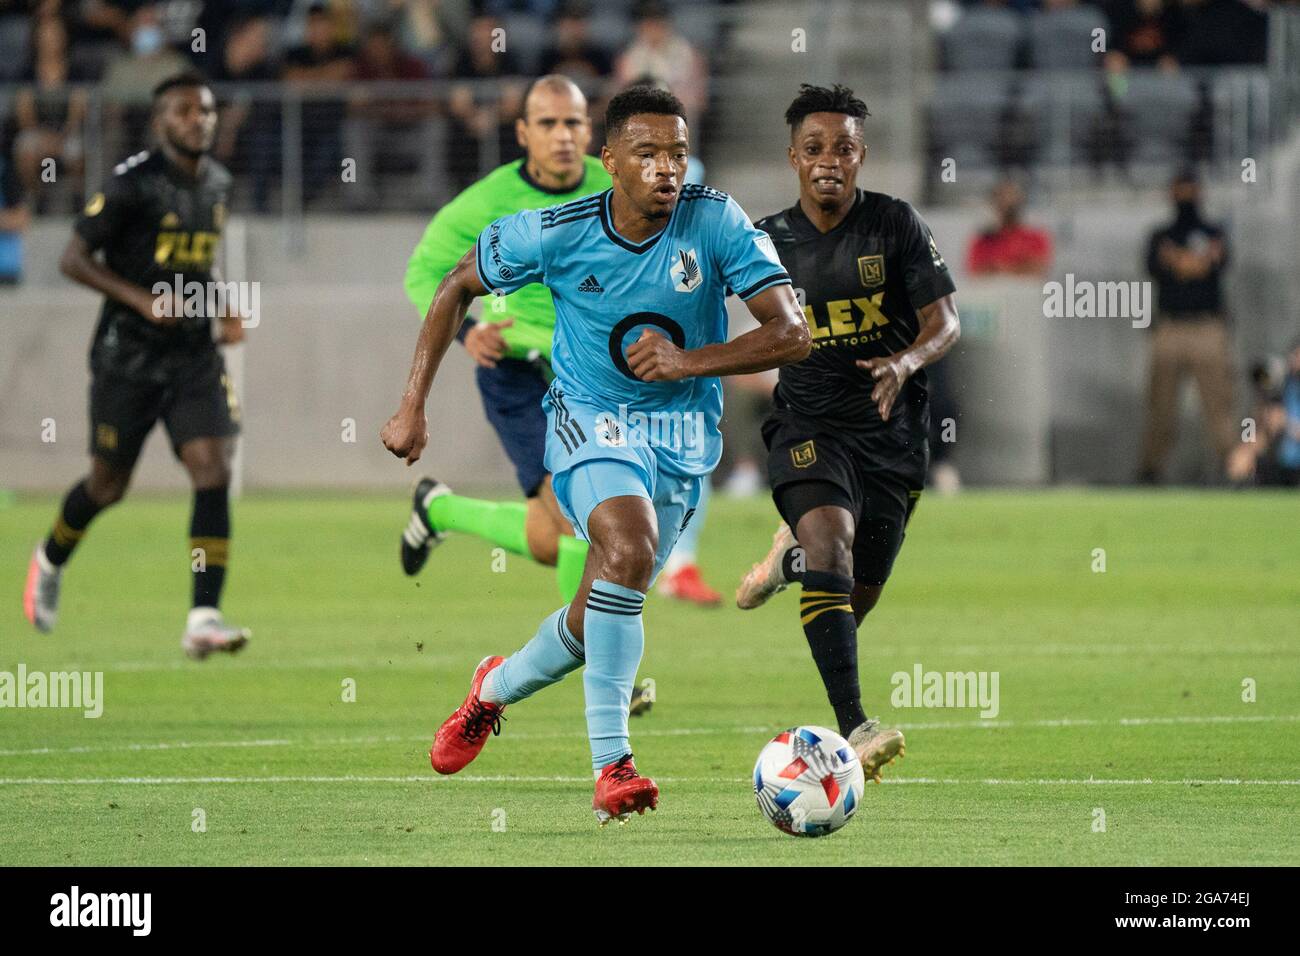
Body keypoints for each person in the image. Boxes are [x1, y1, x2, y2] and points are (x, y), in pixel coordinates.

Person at [380, 86, 807, 823]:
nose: (667, 168)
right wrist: (412, 403)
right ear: (610, 162)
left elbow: (792, 333)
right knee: (630, 545)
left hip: (680, 443)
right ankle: (613, 767)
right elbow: (454, 284)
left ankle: (491, 689)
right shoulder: (556, 230)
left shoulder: (717, 220)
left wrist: (686, 361)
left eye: (677, 151)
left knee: (592, 620)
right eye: (647, 154)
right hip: (587, 419)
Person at [734, 84, 961, 781]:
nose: (828, 160)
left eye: (843, 148)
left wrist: (907, 359)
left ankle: (793, 559)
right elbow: (723, 316)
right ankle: (855, 727)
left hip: (891, 437)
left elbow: (945, 321)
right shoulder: (764, 241)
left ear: (862, 156)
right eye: (814, 148)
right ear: (793, 157)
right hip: (808, 425)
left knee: (853, 593)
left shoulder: (893, 225)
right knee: (833, 545)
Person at [22, 73, 250, 660]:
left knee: (212, 468)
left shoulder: (218, 184)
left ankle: (203, 616)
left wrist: (221, 306)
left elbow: (196, 264)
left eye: (205, 109)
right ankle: (51, 557)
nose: (199, 119)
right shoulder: (131, 186)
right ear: (160, 121)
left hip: (193, 356)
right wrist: (141, 299)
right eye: (184, 111)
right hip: (128, 357)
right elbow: (74, 259)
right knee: (107, 485)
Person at [399, 75, 609, 604]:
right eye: (548, 123)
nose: (562, 135)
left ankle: (440, 510)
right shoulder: (489, 201)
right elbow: (425, 273)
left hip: (593, 375)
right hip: (518, 374)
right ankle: (600, 678)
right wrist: (468, 331)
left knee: (553, 536)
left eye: (572, 123)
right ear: (522, 132)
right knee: (579, 518)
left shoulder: (612, 188)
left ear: (589, 130)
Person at [1137, 168, 1235, 483]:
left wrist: (1179, 261)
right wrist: (1197, 261)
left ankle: (1234, 468)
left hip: (1207, 327)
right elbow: (1157, 266)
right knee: (1161, 406)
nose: (1185, 196)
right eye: (1180, 190)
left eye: (1190, 189)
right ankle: (1151, 470)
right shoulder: (1160, 235)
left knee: (1219, 404)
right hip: (1170, 328)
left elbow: (1216, 263)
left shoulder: (1214, 230)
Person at [965, 178, 1053, 278]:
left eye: (1013, 198)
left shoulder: (1035, 237)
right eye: (1002, 198)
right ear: (993, 203)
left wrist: (998, 267)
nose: (1008, 203)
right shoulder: (983, 241)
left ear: (1021, 202)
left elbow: (1040, 268)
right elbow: (976, 273)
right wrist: (1020, 265)